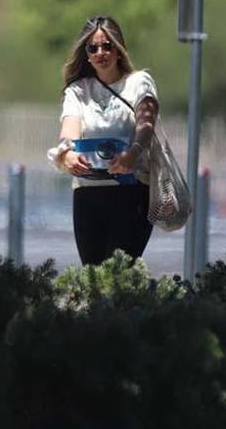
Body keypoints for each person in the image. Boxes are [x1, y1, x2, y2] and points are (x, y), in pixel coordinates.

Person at [48, 16, 159, 265]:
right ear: (86, 54)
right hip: (89, 196)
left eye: (107, 46)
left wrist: (133, 153)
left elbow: (146, 125)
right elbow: (69, 128)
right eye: (93, 48)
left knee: (121, 273)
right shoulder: (78, 90)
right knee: (93, 275)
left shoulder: (139, 82)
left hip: (131, 193)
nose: (101, 53)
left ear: (118, 49)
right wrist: (67, 154)